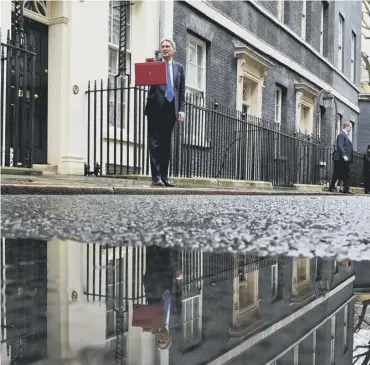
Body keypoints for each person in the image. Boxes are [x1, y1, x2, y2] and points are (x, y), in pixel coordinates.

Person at [144, 38, 186, 187]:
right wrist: (148, 66)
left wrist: (181, 110)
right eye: (163, 47)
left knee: (166, 145)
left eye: (168, 46)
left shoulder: (179, 68)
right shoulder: (155, 64)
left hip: (170, 109)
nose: (165, 49)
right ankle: (156, 178)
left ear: (174, 50)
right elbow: (144, 78)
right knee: (154, 143)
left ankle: (164, 177)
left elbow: (181, 90)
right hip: (155, 108)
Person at [329, 121, 354, 194]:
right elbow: (340, 145)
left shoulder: (345, 135)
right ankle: (331, 187)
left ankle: (346, 189)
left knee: (346, 174)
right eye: (350, 127)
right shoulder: (341, 135)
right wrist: (344, 155)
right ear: (346, 126)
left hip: (344, 159)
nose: (351, 129)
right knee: (337, 173)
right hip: (340, 158)